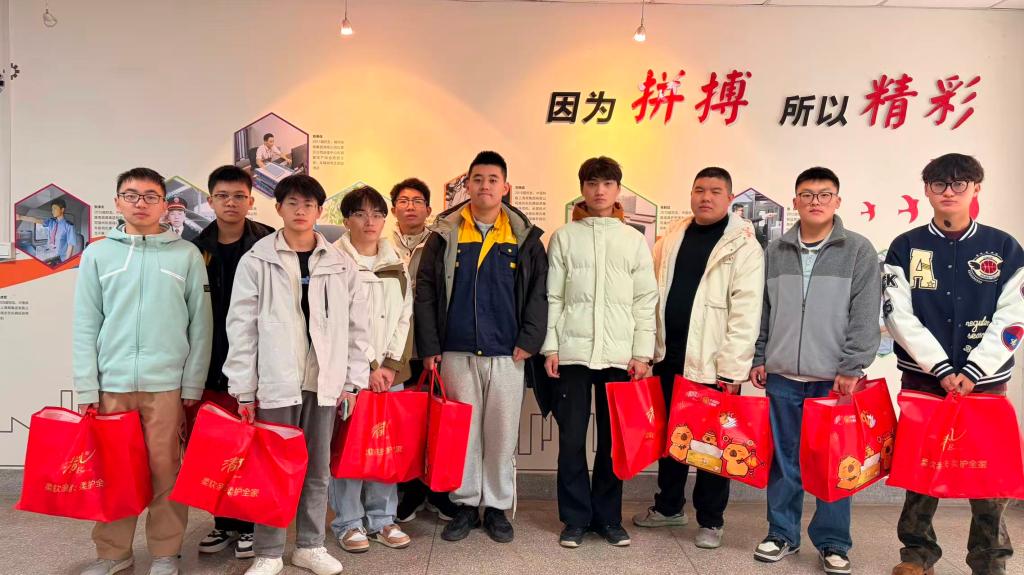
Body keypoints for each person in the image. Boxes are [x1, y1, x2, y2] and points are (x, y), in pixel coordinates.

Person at [224, 174, 371, 575]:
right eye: (292, 203)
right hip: (276, 383)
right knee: (272, 470)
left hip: (323, 383)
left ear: (320, 211)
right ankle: (269, 551)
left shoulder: (341, 264)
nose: (301, 211)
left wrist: (351, 381)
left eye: (308, 204)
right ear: (279, 208)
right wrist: (244, 388)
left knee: (317, 470)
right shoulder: (257, 260)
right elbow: (241, 327)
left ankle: (310, 545)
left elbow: (358, 328)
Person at [884, 153, 1023, 575]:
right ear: (926, 190)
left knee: (988, 474)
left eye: (959, 183)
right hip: (926, 381)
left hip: (986, 383)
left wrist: (976, 369)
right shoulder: (905, 246)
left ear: (976, 188)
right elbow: (898, 315)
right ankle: (917, 555)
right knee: (920, 469)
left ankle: (990, 560)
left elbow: (1014, 316)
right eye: (939, 184)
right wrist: (941, 368)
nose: (949, 191)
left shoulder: (1004, 247)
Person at [73, 167, 213, 575]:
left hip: (166, 386)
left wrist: (192, 384)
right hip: (112, 386)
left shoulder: (185, 255)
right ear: (117, 202)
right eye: (131, 195)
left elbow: (200, 326)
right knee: (113, 473)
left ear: (164, 204)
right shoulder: (98, 254)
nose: (140, 203)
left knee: (165, 472)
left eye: (151, 196)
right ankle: (113, 553)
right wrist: (87, 387)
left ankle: (166, 552)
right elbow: (85, 324)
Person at [750, 167, 881, 575]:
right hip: (783, 376)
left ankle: (833, 541)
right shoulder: (775, 251)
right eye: (807, 194)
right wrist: (759, 356)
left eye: (825, 194)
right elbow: (763, 309)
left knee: (835, 463)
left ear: (838, 201)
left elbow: (865, 313)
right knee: (784, 460)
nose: (816, 201)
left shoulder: (857, 250)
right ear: (795, 202)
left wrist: (852, 365)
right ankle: (781, 534)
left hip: (833, 379)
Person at [415, 151, 548, 544]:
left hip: (508, 353)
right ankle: (466, 505)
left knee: (501, 434)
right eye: (477, 179)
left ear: (505, 187)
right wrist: (430, 345)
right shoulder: (445, 234)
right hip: (455, 351)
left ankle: (497, 508)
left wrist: (529, 340)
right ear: (467, 185)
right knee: (463, 435)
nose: (485, 186)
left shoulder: (523, 236)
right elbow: (426, 292)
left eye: (493, 179)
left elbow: (540, 292)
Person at [633, 167, 764, 550]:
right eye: (699, 190)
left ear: (730, 199)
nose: (706, 197)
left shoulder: (743, 245)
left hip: (713, 365)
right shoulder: (673, 235)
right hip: (669, 356)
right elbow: (652, 293)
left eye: (715, 191)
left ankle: (711, 520)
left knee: (712, 445)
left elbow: (746, 312)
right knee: (671, 440)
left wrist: (732, 369)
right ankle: (669, 506)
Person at [542, 156, 658, 549]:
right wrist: (551, 347)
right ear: (582, 188)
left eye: (607, 183)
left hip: (620, 357)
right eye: (592, 183)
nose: (599, 191)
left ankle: (608, 518)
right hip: (573, 354)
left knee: (613, 442)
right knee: (572, 439)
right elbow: (553, 297)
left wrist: (642, 353)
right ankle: (575, 519)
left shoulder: (633, 240)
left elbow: (645, 300)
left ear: (618, 189)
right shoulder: (564, 237)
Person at [187, 165, 274, 560]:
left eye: (239, 196)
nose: (231, 203)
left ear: (251, 200)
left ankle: (251, 525)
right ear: (210, 201)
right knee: (217, 448)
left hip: (257, 364)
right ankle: (223, 521)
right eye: (223, 196)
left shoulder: (268, 242)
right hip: (209, 363)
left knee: (253, 447)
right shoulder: (194, 247)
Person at [328, 185, 414, 553]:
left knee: (383, 446)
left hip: (388, 376)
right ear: (346, 220)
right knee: (348, 448)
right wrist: (370, 366)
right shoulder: (331, 261)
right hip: (348, 374)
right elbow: (337, 322)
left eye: (377, 214)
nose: (370, 222)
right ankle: (348, 521)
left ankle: (382, 518)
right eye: (361, 214)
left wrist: (391, 365)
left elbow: (405, 317)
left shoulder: (397, 262)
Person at [388, 177, 460, 524]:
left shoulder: (442, 242)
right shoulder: (382, 245)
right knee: (404, 425)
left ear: (429, 209)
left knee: (438, 423)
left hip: (433, 348)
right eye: (403, 201)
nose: (410, 207)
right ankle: (410, 492)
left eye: (417, 201)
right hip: (396, 353)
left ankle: (439, 492)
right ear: (393, 209)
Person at [17, 197, 77, 262]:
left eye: (55, 208)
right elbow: (36, 220)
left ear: (62, 210)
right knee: (27, 248)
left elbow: (70, 246)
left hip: (59, 258)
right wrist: (20, 217)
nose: (52, 211)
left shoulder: (69, 226)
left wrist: (66, 262)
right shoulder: (51, 222)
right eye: (52, 209)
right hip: (49, 253)